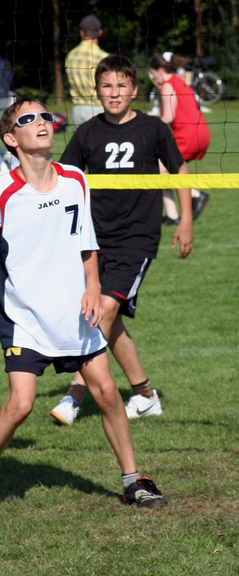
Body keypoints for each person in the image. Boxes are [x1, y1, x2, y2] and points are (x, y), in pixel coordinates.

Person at [0, 96, 167, 514]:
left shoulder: (75, 179)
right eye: (28, 119)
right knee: (20, 404)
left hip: (72, 311)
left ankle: (134, 479)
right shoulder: (0, 191)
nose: (41, 122)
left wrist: (93, 286)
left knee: (107, 394)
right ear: (11, 138)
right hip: (23, 315)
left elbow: (86, 241)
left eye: (45, 115)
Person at [50, 55, 193, 427]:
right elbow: (65, 178)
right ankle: (145, 395)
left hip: (137, 238)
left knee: (104, 312)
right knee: (105, 319)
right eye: (107, 86)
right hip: (95, 239)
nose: (114, 94)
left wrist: (186, 221)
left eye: (121, 86)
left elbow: (179, 169)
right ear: (97, 90)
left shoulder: (153, 128)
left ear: (134, 89)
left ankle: (74, 393)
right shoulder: (87, 132)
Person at [149, 53, 211, 223]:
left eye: (152, 73)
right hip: (201, 134)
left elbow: (168, 117)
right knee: (163, 167)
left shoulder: (167, 86)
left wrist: (149, 130)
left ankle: (196, 195)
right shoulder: (180, 82)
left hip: (188, 136)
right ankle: (171, 215)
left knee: (159, 169)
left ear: (159, 70)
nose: (152, 77)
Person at [65, 14, 108, 129]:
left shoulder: (71, 55)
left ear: (82, 33)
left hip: (78, 110)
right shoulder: (104, 58)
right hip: (98, 108)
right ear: (100, 33)